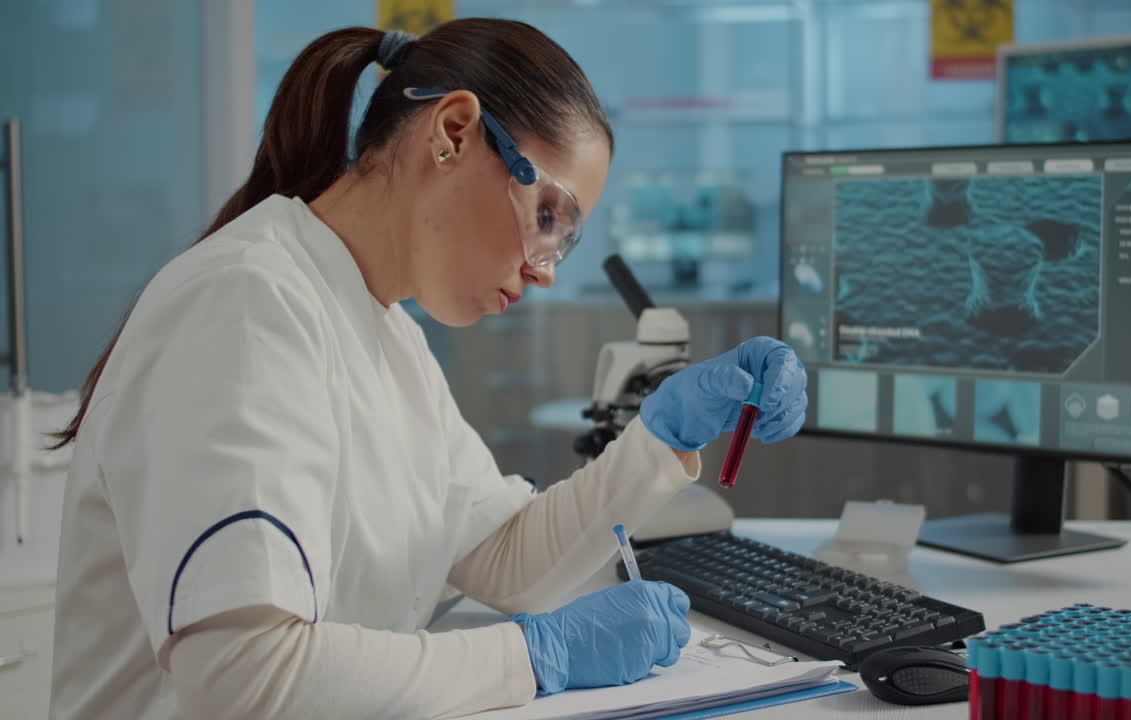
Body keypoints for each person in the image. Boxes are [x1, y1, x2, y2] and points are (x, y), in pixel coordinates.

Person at [48, 19, 807, 720]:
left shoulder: (384, 332)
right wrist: (537, 657)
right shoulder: (246, 304)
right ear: (452, 132)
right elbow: (245, 675)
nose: (544, 271)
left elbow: (506, 561)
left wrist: (660, 437)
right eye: (549, 218)